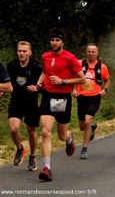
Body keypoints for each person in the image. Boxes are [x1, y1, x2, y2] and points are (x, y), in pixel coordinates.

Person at [36, 28, 86, 181]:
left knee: (61, 135)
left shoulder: (69, 58)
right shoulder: (45, 56)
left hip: (63, 98)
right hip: (48, 96)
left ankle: (69, 138)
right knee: (45, 132)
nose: (54, 43)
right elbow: (45, 72)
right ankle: (47, 168)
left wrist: (62, 81)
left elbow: (82, 79)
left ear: (62, 42)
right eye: (52, 40)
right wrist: (40, 81)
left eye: (57, 40)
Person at [6, 41, 42, 171]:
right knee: (14, 129)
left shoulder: (37, 66)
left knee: (31, 132)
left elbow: (43, 84)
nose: (21, 53)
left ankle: (32, 156)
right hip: (16, 101)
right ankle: (20, 149)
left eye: (24, 51)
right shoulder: (11, 65)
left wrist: (37, 87)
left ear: (30, 53)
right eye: (19, 51)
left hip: (31, 102)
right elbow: (6, 81)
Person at [73, 43, 110, 159]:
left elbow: (107, 81)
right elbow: (72, 77)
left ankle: (84, 149)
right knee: (82, 126)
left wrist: (104, 89)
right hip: (81, 96)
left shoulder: (102, 67)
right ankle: (92, 127)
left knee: (87, 121)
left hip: (94, 97)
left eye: (93, 52)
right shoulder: (79, 64)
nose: (91, 54)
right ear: (86, 53)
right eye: (89, 51)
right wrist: (73, 89)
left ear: (97, 53)